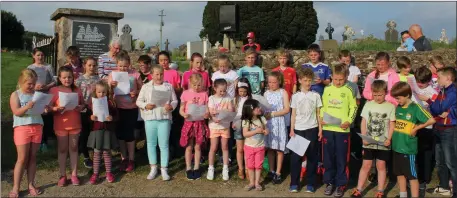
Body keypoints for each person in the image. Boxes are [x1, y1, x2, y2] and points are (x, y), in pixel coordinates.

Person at [350, 80, 396, 198]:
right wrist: (364, 137)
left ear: (385, 93)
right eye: (375, 95)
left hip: (383, 142)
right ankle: (359, 189)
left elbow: (392, 124)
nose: (377, 97)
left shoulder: (390, 106)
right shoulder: (368, 104)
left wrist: (389, 139)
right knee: (366, 165)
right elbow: (364, 121)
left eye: (380, 95)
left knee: (381, 166)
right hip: (368, 142)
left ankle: (380, 191)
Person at [390, 82, 435, 198]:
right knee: (399, 174)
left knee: (412, 176)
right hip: (396, 147)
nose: (397, 100)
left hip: (408, 149)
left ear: (407, 95)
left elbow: (431, 120)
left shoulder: (415, 108)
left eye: (398, 98)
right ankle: (403, 195)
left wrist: (417, 128)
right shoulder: (398, 107)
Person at [320, 64, 357, 198]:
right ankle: (329, 182)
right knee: (328, 158)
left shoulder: (348, 90)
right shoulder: (327, 89)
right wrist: (322, 118)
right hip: (328, 128)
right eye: (335, 79)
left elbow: (353, 108)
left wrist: (348, 121)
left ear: (346, 77)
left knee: (342, 158)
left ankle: (341, 184)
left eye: (341, 79)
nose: (338, 82)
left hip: (342, 130)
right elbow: (323, 106)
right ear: (331, 77)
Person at [9, 69, 47, 197]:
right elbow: (16, 112)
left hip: (37, 127)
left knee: (33, 157)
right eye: (29, 84)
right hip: (22, 128)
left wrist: (45, 109)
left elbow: (41, 110)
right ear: (21, 82)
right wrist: (27, 106)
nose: (32, 86)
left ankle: (31, 184)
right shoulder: (16, 94)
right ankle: (16, 187)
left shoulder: (37, 95)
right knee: (22, 158)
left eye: (33, 83)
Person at [137, 65, 178, 181]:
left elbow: (175, 100)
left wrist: (171, 106)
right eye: (156, 74)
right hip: (150, 118)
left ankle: (164, 168)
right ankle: (153, 167)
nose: (159, 76)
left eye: (161, 74)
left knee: (164, 145)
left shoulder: (168, 86)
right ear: (152, 75)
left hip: (164, 118)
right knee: (151, 144)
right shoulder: (146, 87)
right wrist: (146, 105)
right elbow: (138, 101)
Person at [49, 66, 85, 186]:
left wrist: (81, 107)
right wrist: (55, 108)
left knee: (74, 149)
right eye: (64, 77)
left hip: (75, 123)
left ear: (73, 77)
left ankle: (74, 174)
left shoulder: (77, 90)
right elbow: (48, 107)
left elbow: (83, 104)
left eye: (69, 77)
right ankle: (62, 175)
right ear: (59, 78)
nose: (67, 79)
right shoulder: (54, 90)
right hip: (61, 125)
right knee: (63, 149)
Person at [425, 67, 457, 198]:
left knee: (451, 163)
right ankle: (444, 187)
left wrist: (437, 107)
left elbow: (439, 107)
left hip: (449, 130)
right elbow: (435, 110)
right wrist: (437, 107)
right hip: (438, 128)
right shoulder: (442, 91)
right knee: (440, 161)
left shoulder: (453, 92)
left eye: (439, 77)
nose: (437, 80)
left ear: (448, 78)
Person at [289, 68, 322, 193]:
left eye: (309, 80)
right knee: (296, 158)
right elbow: (293, 114)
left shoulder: (316, 96)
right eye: (305, 80)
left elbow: (319, 114)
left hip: (312, 129)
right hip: (298, 129)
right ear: (300, 80)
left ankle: (310, 184)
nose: (307, 83)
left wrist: (320, 129)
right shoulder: (296, 96)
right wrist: (292, 130)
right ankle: (294, 183)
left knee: (312, 157)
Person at [108, 52, 142, 173]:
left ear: (129, 65)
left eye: (125, 66)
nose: (123, 68)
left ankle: (131, 159)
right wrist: (111, 86)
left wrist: (136, 93)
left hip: (131, 107)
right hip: (118, 107)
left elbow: (142, 89)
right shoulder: (113, 75)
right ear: (117, 64)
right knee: (120, 134)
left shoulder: (135, 74)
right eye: (120, 66)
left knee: (130, 134)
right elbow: (108, 91)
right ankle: (124, 158)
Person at [411, 66, 439, 196]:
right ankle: (413, 178)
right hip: (412, 125)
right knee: (413, 153)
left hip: (427, 127)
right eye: (418, 82)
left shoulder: (433, 92)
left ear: (429, 81)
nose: (419, 85)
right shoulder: (412, 88)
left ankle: (424, 179)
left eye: (422, 82)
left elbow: (437, 109)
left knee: (425, 154)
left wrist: (427, 101)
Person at [179, 73, 210, 180]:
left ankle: (196, 167)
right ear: (190, 84)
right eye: (194, 85)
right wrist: (184, 114)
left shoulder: (205, 94)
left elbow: (206, 109)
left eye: (199, 85)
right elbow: (181, 109)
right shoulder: (185, 93)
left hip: (200, 123)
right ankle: (188, 167)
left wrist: (207, 114)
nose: (197, 87)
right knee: (189, 146)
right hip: (189, 123)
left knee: (198, 146)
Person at [87, 81, 118, 184]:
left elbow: (117, 116)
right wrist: (91, 118)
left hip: (107, 130)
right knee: (96, 153)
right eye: (99, 92)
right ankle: (95, 174)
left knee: (107, 152)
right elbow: (87, 117)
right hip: (97, 130)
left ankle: (108, 173)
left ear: (107, 92)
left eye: (104, 92)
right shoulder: (92, 103)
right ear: (95, 92)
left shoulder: (110, 103)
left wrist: (112, 118)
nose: (101, 94)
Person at [264, 71, 290, 184]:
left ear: (279, 81)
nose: (271, 84)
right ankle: (271, 170)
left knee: (279, 149)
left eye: (274, 82)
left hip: (279, 122)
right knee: (270, 148)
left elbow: (286, 109)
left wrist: (273, 114)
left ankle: (278, 172)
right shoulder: (266, 93)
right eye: (269, 82)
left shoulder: (283, 92)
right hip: (269, 123)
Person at [27, 48, 55, 153]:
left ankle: (45, 141)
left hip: (45, 95)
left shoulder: (48, 67)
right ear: (33, 56)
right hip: (33, 96)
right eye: (38, 55)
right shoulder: (30, 68)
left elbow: (55, 80)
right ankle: (35, 140)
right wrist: (34, 87)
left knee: (46, 119)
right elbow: (27, 81)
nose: (40, 57)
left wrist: (46, 86)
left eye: (42, 55)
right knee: (35, 118)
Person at [75, 57, 100, 169]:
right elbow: (76, 95)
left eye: (94, 65)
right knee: (84, 133)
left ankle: (96, 155)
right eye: (89, 65)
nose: (92, 67)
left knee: (94, 133)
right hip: (84, 111)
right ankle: (85, 156)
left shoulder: (99, 79)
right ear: (84, 65)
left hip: (96, 111)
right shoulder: (79, 80)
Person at [207, 79, 235, 181]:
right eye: (221, 91)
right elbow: (210, 112)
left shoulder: (228, 97)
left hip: (225, 126)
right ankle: (211, 167)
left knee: (225, 147)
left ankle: (225, 168)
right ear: (215, 88)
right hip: (214, 126)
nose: (223, 93)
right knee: (213, 147)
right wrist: (214, 118)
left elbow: (231, 110)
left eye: (224, 90)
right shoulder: (211, 98)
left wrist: (219, 111)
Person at [241, 99, 269, 191]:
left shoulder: (262, 119)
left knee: (258, 165)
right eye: (257, 107)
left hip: (260, 147)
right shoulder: (246, 121)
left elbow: (267, 129)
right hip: (249, 147)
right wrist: (256, 131)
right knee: (250, 165)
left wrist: (266, 131)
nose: (259, 108)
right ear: (250, 110)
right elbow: (245, 134)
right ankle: (251, 182)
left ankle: (257, 183)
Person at [232, 78, 253, 179]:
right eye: (240, 91)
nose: (242, 93)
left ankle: (248, 169)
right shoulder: (235, 99)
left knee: (247, 148)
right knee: (240, 148)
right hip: (238, 123)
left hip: (248, 124)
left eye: (244, 91)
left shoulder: (251, 99)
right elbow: (233, 112)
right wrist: (233, 121)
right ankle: (240, 168)